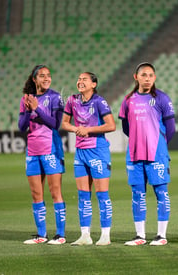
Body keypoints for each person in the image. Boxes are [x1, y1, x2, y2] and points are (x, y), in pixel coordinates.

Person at [119, 62, 176, 246]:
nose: (148, 78)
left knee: (161, 192)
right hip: (135, 154)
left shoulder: (162, 98)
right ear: (136, 77)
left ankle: (161, 235)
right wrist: (139, 140)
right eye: (144, 75)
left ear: (155, 78)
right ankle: (140, 236)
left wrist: (158, 144)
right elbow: (126, 127)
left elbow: (171, 128)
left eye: (151, 75)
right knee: (137, 194)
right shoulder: (128, 100)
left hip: (157, 154)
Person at [61, 72, 116, 246]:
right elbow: (64, 123)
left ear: (93, 84)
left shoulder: (100, 101)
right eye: (78, 79)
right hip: (80, 153)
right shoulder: (72, 100)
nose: (80, 81)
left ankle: (105, 235)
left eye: (85, 79)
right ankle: (85, 235)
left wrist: (88, 130)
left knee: (102, 194)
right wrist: (76, 129)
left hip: (98, 151)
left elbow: (111, 125)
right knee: (83, 195)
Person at [18, 64, 66, 245]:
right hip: (33, 151)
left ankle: (60, 235)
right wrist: (29, 109)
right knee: (36, 194)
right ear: (34, 79)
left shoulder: (55, 97)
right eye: (42, 75)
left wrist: (37, 108)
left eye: (48, 75)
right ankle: (41, 235)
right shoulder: (26, 99)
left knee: (55, 193)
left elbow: (55, 123)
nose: (46, 78)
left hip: (51, 150)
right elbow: (22, 127)